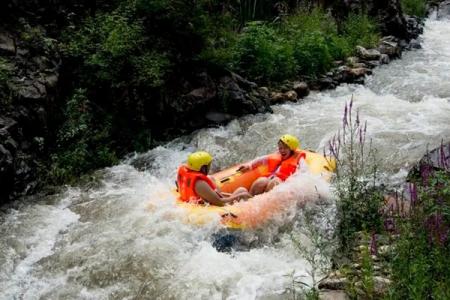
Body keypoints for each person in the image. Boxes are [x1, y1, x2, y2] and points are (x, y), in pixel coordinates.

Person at [176, 151, 252, 206]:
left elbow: (177, 185)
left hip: (200, 201)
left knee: (241, 190)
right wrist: (241, 195)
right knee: (243, 192)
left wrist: (231, 195)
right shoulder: (200, 183)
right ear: (203, 167)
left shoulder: (186, 174)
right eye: (208, 165)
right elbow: (220, 202)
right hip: (211, 208)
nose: (210, 167)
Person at [240, 134, 306, 195]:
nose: (282, 150)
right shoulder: (276, 155)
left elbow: (304, 170)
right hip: (269, 178)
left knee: (275, 181)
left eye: (285, 148)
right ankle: (249, 198)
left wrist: (293, 179)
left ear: (291, 149)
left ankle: (264, 202)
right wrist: (249, 165)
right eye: (280, 148)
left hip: (283, 183)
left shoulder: (298, 158)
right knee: (261, 181)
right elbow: (260, 160)